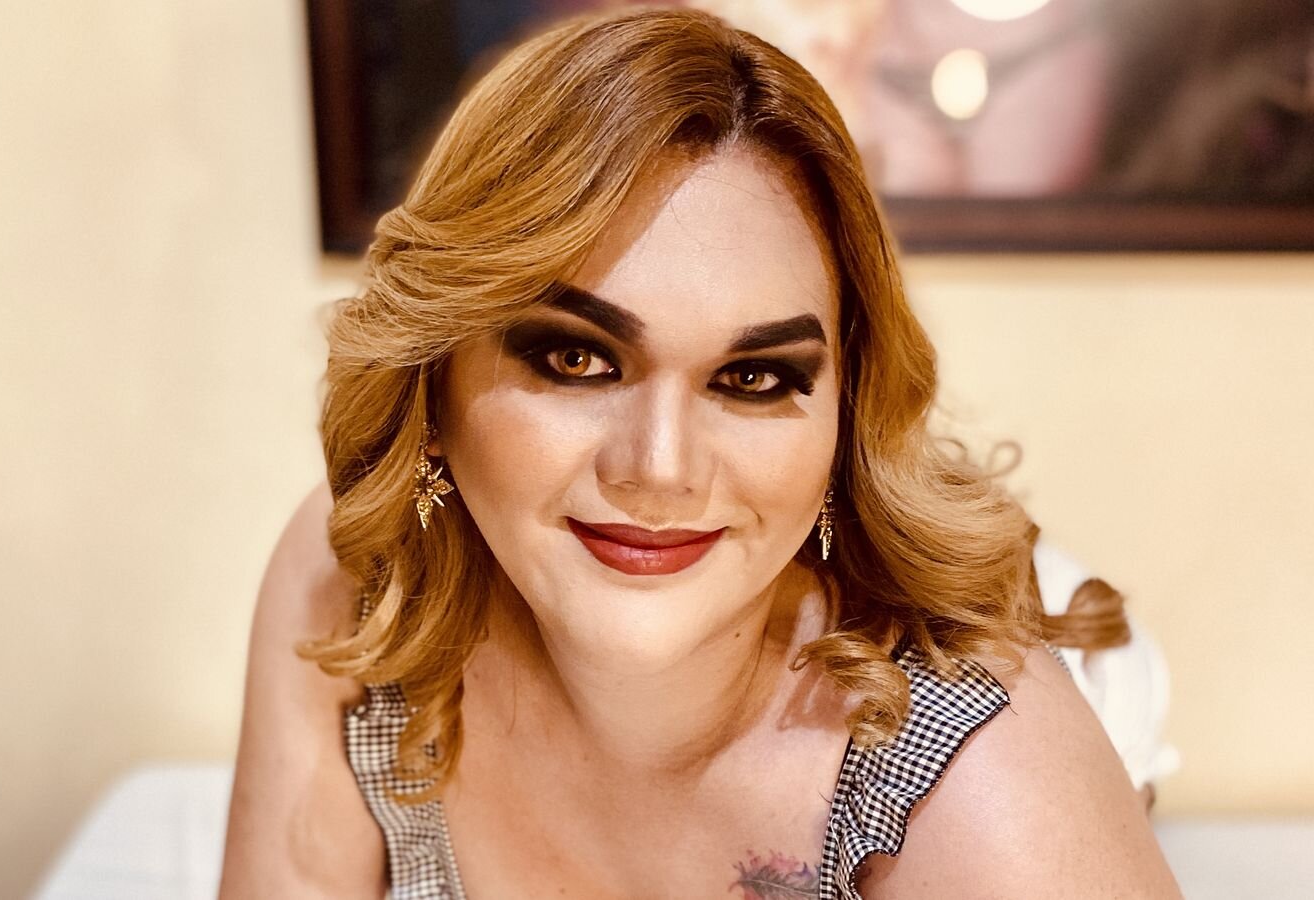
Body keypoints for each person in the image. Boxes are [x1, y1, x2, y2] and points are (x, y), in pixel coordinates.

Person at [219, 7, 1182, 898]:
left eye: (752, 378)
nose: (660, 470)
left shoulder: (991, 794)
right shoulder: (364, 578)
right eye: (577, 359)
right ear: (431, 381)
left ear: (844, 419)